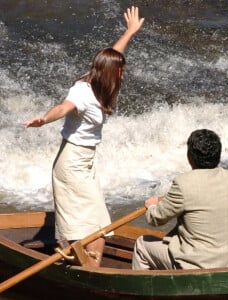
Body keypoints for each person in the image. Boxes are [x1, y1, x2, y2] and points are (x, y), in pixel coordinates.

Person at [24, 6, 144, 267]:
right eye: (120, 70)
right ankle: (84, 271)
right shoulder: (82, 90)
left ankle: (92, 269)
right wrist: (44, 119)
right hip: (71, 163)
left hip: (86, 162)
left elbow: (115, 55)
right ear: (110, 72)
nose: (123, 73)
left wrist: (130, 32)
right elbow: (63, 108)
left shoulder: (101, 81)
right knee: (82, 225)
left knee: (100, 224)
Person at [132, 129, 228, 270]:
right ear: (218, 155)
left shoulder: (183, 183)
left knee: (142, 245)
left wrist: (152, 206)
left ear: (190, 156)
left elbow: (156, 219)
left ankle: (147, 291)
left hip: (197, 265)